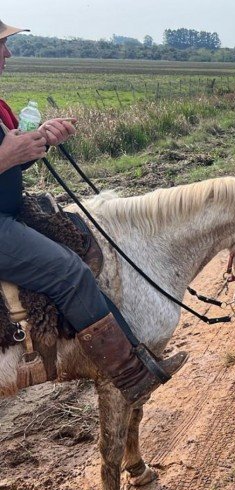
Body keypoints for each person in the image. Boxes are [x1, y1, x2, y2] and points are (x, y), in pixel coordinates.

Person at [0, 19, 186, 404]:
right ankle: (132, 376)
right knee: (70, 273)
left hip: (11, 209)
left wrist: (39, 142)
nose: (8, 53)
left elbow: (12, 161)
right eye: (0, 45)